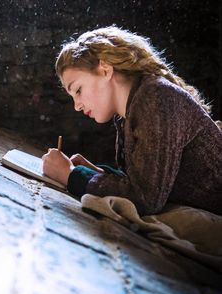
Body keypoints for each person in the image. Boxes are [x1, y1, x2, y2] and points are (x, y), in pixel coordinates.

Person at [42, 26, 222, 215]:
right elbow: (146, 183)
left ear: (105, 70)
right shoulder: (130, 109)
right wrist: (95, 173)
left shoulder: (156, 96)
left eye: (78, 90)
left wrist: (72, 175)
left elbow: (146, 199)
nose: (76, 106)